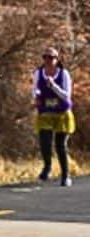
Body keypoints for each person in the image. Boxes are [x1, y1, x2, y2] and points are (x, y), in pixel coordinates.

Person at [33, 46, 76, 187]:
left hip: (62, 113)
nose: (48, 60)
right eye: (45, 57)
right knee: (44, 142)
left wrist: (53, 86)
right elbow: (35, 90)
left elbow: (66, 95)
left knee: (60, 146)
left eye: (51, 57)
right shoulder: (38, 73)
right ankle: (47, 166)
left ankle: (65, 175)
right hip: (45, 112)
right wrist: (37, 97)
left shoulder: (63, 74)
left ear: (57, 60)